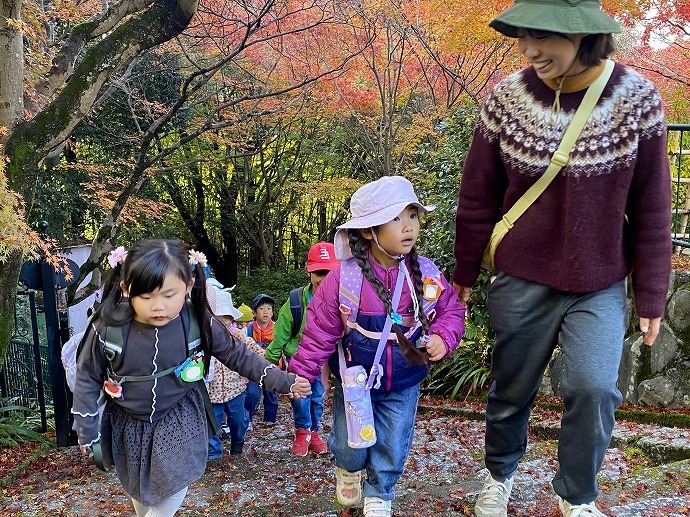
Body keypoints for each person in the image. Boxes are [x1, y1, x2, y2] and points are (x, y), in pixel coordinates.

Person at [452, 2, 672, 516]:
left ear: (584, 37)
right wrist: (465, 269)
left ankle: (576, 495)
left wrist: (652, 292)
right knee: (512, 388)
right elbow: (478, 194)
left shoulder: (637, 100)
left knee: (594, 389)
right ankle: (498, 475)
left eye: (543, 37)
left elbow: (653, 205)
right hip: (521, 276)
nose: (529, 50)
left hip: (599, 278)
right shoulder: (507, 98)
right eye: (523, 36)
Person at [71, 240, 311, 517]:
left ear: (188, 286)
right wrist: (87, 428)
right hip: (128, 423)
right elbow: (87, 377)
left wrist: (282, 380)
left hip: (180, 417)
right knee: (139, 491)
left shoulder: (197, 320)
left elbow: (237, 355)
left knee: (173, 487)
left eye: (169, 295)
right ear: (126, 288)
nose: (158, 306)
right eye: (146, 297)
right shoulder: (107, 327)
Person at [288, 176, 466, 517]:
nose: (408, 226)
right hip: (354, 382)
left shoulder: (426, 274)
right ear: (369, 231)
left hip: (404, 380)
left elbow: (451, 310)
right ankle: (348, 468)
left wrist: (443, 337)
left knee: (393, 443)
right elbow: (319, 331)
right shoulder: (344, 278)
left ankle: (380, 493)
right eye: (396, 218)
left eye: (412, 215)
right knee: (349, 444)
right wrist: (301, 374)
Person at [266, 242, 339, 456]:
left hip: (323, 361)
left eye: (329, 272)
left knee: (317, 397)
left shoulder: (342, 300)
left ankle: (313, 431)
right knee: (299, 396)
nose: (324, 278)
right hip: (299, 358)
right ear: (309, 272)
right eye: (319, 272)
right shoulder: (296, 302)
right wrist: (271, 358)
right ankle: (302, 430)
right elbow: (281, 332)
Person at [206, 284, 261, 459]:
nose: (223, 321)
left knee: (238, 421)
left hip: (235, 389)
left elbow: (253, 349)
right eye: (218, 317)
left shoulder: (238, 336)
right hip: (212, 392)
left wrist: (269, 359)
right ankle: (214, 454)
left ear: (232, 318)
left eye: (226, 317)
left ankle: (237, 444)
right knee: (211, 424)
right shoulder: (205, 338)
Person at [243, 293, 280, 426]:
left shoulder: (277, 328)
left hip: (271, 366)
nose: (266, 312)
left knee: (270, 393)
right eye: (261, 308)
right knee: (252, 394)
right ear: (254, 312)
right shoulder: (249, 328)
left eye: (269, 309)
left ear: (272, 312)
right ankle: (247, 419)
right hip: (253, 367)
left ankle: (270, 419)